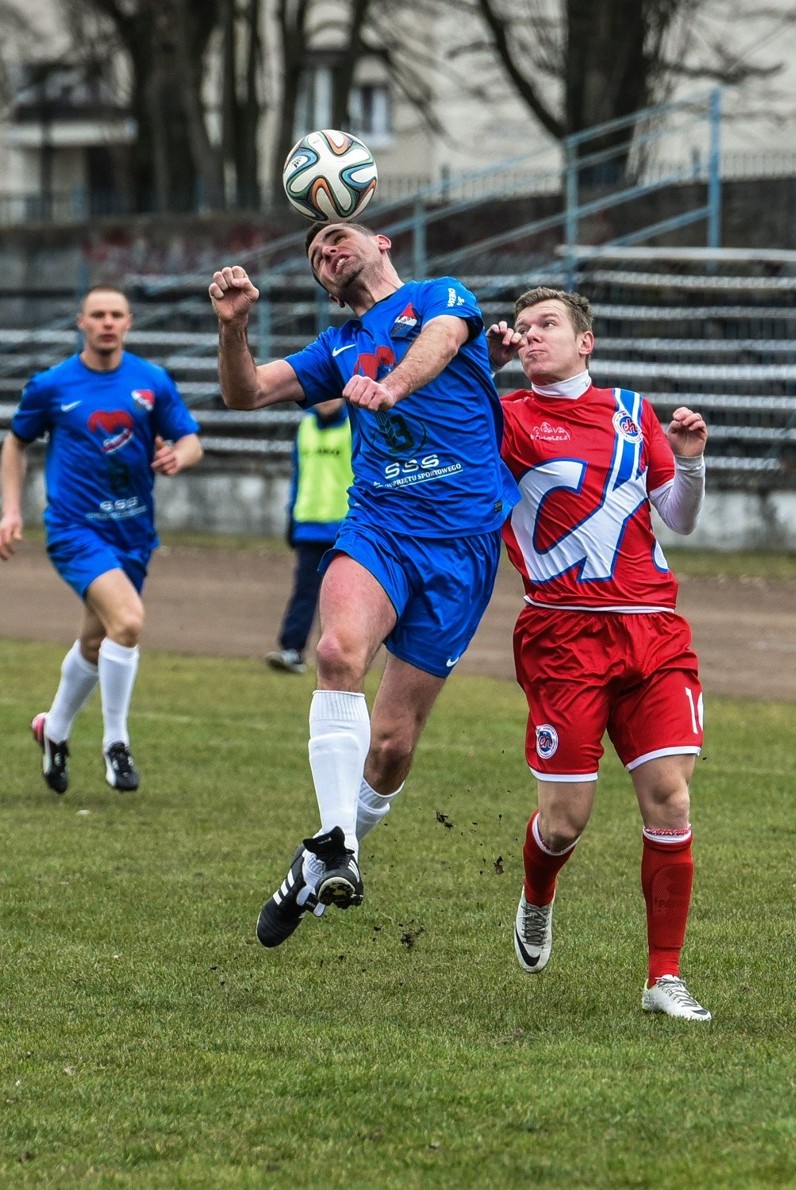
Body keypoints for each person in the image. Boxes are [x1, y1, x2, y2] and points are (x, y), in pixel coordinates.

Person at [209, 221, 518, 947]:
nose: (326, 251)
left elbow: (441, 341)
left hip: (464, 546)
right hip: (378, 527)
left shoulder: (442, 296)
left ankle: (316, 865)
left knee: (392, 746)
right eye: (315, 253)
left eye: (337, 236)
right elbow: (246, 392)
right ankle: (337, 843)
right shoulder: (335, 347)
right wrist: (234, 328)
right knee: (337, 653)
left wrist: (392, 385)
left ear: (380, 239)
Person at [488, 286, 711, 1020]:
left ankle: (663, 978)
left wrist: (689, 464)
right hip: (563, 637)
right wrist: (478, 374)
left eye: (546, 324)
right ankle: (537, 896)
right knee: (563, 824)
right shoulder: (505, 418)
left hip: (652, 629)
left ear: (586, 341)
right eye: (522, 329)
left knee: (670, 797)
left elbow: (674, 517)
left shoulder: (629, 411)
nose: (530, 336)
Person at [0, 284, 202, 794]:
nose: (107, 322)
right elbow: (16, 443)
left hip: (133, 532)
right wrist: (9, 510)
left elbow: (190, 439)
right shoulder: (51, 385)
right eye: (98, 315)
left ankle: (54, 730)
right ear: (81, 323)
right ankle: (116, 743)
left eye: (116, 314)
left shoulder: (151, 381)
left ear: (129, 322)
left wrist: (180, 456)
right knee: (129, 623)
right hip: (75, 529)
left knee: (97, 640)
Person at [265, 397, 353, 675]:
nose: (325, 400)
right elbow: (299, 477)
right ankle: (293, 650)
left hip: (346, 526)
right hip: (309, 525)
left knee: (347, 597)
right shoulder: (305, 428)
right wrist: (292, 517)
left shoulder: (355, 426)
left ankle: (344, 655)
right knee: (304, 592)